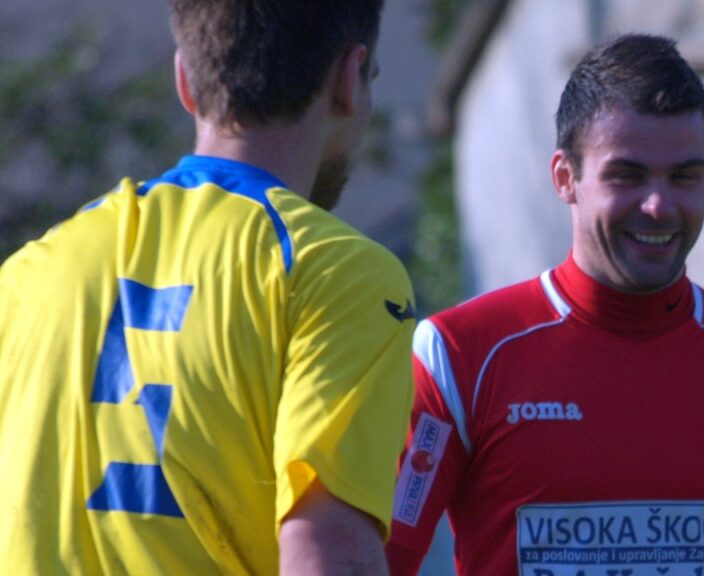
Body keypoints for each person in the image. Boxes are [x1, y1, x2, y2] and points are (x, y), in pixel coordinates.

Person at [385, 33, 704, 576]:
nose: (659, 206)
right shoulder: (458, 357)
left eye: (685, 176)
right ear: (566, 178)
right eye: (627, 175)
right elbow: (373, 561)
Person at [0, 1, 415, 574]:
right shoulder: (335, 272)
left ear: (185, 81)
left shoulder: (27, 273)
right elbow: (328, 554)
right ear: (350, 78)